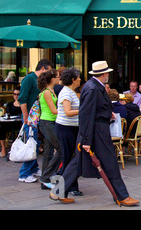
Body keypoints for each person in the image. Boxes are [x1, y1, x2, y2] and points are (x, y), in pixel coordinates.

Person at [50, 60, 138, 206]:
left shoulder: (94, 86)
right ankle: (122, 196)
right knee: (109, 162)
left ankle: (57, 192)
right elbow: (86, 115)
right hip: (96, 132)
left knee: (77, 163)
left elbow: (94, 110)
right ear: (104, 74)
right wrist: (86, 140)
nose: (109, 74)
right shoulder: (93, 88)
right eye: (108, 72)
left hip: (95, 131)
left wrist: (107, 112)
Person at [18, 59, 54, 183]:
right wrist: (25, 116)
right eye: (49, 70)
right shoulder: (28, 79)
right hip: (31, 117)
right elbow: (22, 98)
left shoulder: (40, 81)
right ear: (43, 69)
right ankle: (24, 173)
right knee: (30, 143)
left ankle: (33, 168)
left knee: (35, 144)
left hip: (38, 117)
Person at [55, 67, 81, 196]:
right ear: (73, 79)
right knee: (68, 157)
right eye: (78, 77)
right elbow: (68, 112)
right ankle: (66, 186)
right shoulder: (66, 93)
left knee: (71, 157)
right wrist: (83, 109)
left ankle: (69, 185)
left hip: (71, 128)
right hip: (66, 128)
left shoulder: (71, 92)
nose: (80, 79)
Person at [38, 69, 62, 189]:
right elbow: (53, 110)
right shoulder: (47, 92)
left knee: (48, 153)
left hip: (49, 122)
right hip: (47, 123)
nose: (59, 78)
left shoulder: (51, 90)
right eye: (58, 77)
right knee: (61, 149)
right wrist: (67, 111)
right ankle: (45, 177)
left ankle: (45, 180)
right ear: (52, 79)